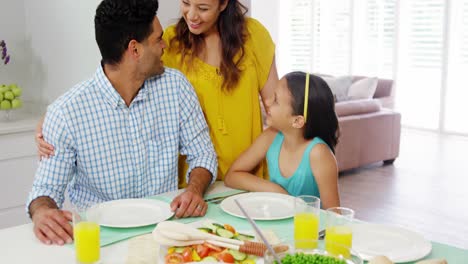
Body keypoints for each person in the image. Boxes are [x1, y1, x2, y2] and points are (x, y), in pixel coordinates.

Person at [27, 0, 217, 246]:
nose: (164, 47)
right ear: (134, 50)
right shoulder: (66, 113)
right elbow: (45, 190)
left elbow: (203, 153)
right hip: (104, 240)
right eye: (158, 39)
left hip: (167, 233)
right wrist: (42, 212)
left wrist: (194, 189)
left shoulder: (176, 87)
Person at [36, 0, 278, 187]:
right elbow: (119, 70)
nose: (191, 15)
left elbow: (276, 107)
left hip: (247, 176)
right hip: (193, 182)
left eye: (203, 7)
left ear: (224, 4)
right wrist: (53, 119)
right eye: (185, 3)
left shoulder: (254, 36)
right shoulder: (168, 41)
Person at [224, 72, 340, 209]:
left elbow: (334, 217)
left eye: (275, 101)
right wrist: (276, 190)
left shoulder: (318, 153)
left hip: (307, 229)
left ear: (297, 121)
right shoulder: (270, 137)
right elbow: (232, 176)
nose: (266, 102)